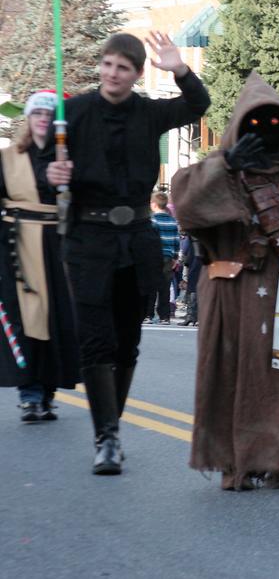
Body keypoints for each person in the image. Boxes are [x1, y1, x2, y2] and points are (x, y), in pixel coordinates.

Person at [44, 32, 210, 475]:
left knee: (127, 342)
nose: (113, 74)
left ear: (136, 74)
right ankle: (107, 436)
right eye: (108, 65)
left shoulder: (149, 113)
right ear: (100, 67)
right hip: (88, 240)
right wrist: (52, 172)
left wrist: (179, 68)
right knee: (95, 341)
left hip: (136, 239)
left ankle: (111, 422)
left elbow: (198, 106)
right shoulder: (72, 113)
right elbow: (41, 169)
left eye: (123, 68)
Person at [172, 72, 279, 490]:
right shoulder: (220, 165)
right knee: (236, 374)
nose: (265, 133)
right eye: (255, 123)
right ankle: (238, 462)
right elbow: (187, 206)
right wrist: (226, 165)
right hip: (233, 287)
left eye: (273, 123)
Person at [0, 91, 79, 422]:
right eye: (37, 114)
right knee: (26, 320)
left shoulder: (69, 158)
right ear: (28, 120)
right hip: (17, 246)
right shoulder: (8, 159)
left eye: (49, 115)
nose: (43, 119)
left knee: (56, 321)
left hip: (58, 247)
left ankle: (47, 392)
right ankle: (30, 394)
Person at [146, 191, 179, 324]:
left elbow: (149, 240)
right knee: (164, 287)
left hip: (153, 257)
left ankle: (148, 315)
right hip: (168, 257)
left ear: (153, 204)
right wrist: (175, 257)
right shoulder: (172, 221)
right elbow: (176, 241)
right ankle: (164, 316)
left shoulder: (152, 220)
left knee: (151, 287)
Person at [176, 233, 202, 326]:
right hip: (200, 259)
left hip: (197, 259)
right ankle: (194, 317)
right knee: (194, 288)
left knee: (193, 288)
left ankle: (192, 316)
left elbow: (187, 247)